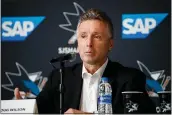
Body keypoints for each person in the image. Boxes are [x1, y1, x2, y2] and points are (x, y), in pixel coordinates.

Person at [14, 8, 156, 114]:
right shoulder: (59, 77)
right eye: (83, 36)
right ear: (78, 42)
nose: (89, 43)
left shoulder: (130, 79)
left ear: (110, 44)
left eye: (97, 37)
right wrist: (21, 109)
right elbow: (38, 111)